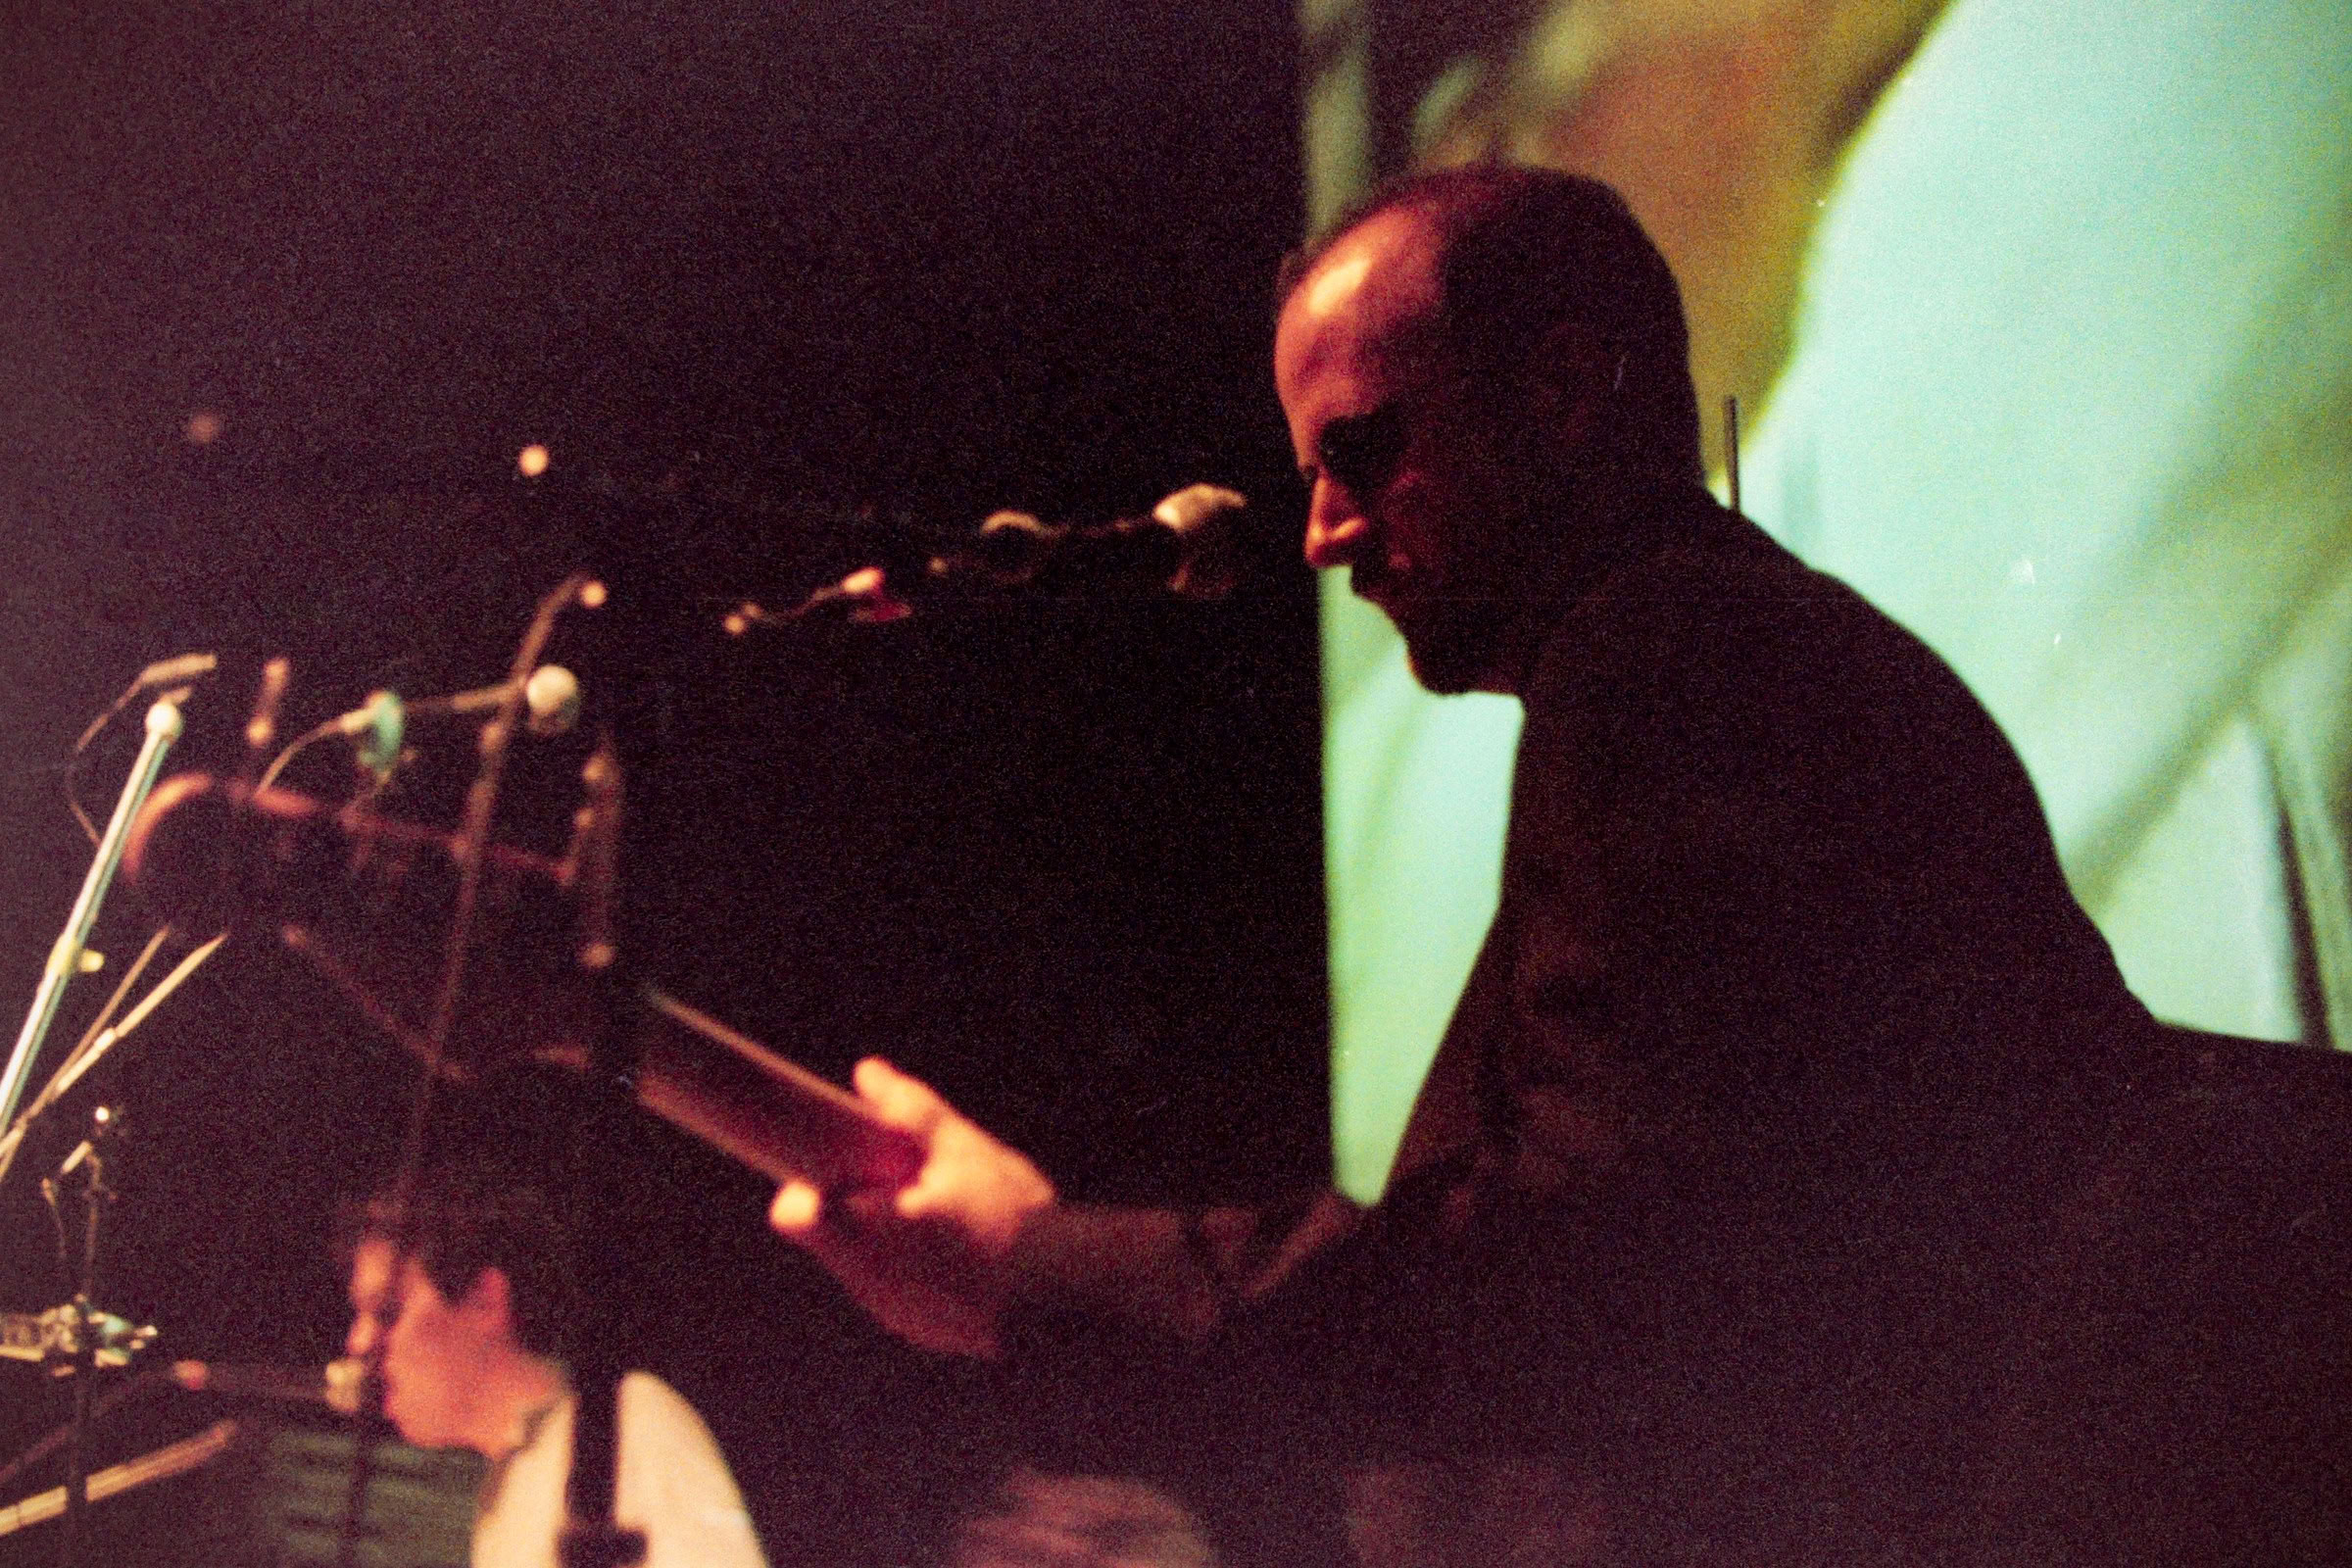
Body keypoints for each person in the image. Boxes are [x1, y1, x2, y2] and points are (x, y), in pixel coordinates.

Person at [768, 166, 2199, 1562]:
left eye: (1356, 452)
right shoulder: (1710, 652)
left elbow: (1572, 1275)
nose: (1323, 533)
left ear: (1566, 392)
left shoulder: (1677, 651)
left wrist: (1043, 1267)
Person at [344, 1171, 770, 1568]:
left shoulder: (625, 1423)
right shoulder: (502, 1492)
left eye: (387, 1310)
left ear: (485, 1301)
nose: (359, 1343)